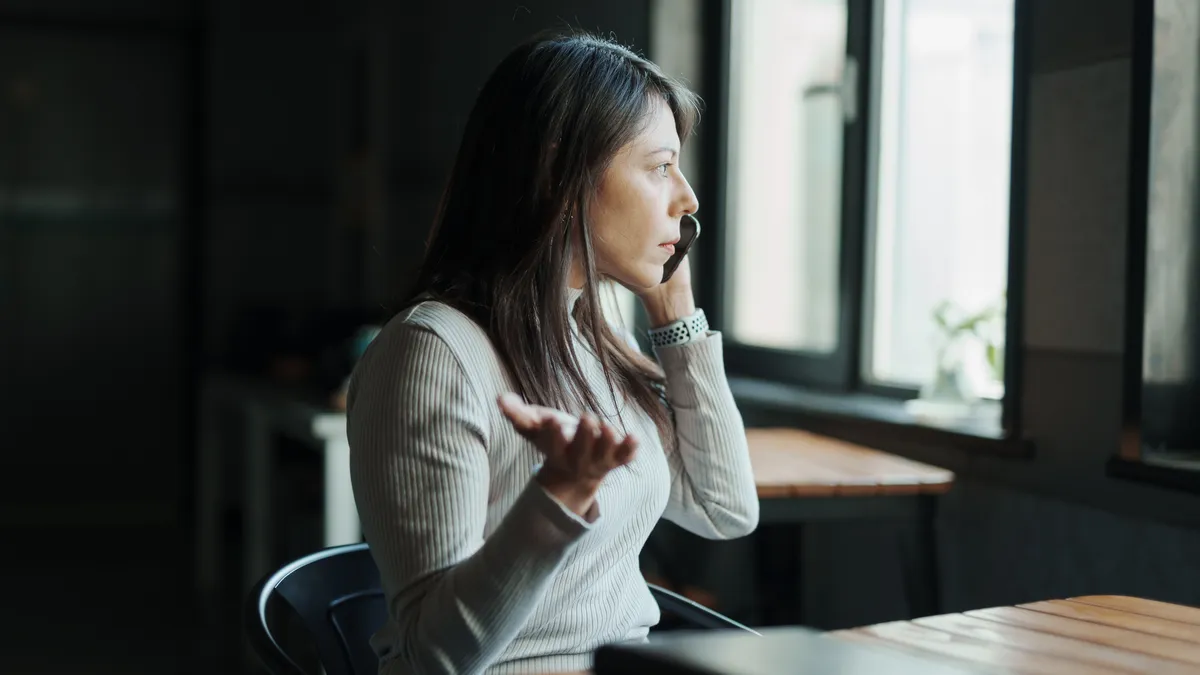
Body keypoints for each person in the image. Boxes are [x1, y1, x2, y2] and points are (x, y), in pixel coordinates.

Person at [347, 32, 759, 675]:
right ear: (560, 172)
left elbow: (725, 509)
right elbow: (434, 654)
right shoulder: (432, 353)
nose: (688, 198)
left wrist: (676, 316)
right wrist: (558, 497)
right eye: (659, 167)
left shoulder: (592, 339)